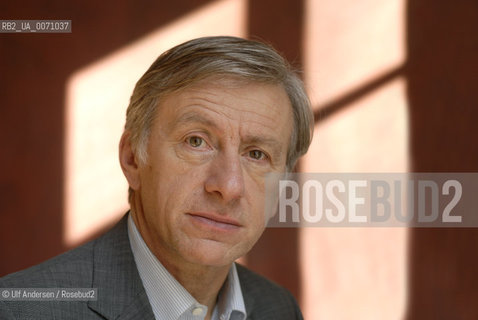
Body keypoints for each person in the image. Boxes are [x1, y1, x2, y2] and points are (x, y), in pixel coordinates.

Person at [0, 36, 313, 320]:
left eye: (257, 154)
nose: (228, 187)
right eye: (195, 141)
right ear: (133, 158)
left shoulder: (278, 308)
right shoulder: (22, 310)